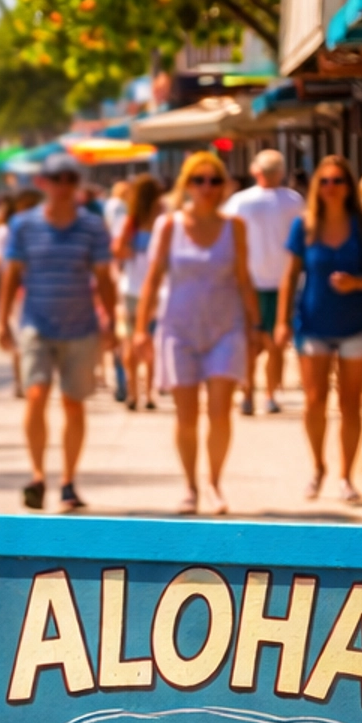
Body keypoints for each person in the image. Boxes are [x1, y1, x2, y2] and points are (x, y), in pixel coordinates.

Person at [135, 150, 258, 516]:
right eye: (199, 180)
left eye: (214, 180)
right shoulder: (169, 226)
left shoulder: (234, 226)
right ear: (186, 184)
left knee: (221, 412)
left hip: (226, 327)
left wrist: (258, 326)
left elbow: (244, 278)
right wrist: (140, 329)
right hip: (178, 328)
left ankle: (215, 484)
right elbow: (153, 277)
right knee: (186, 415)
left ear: (223, 186)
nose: (207, 187)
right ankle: (190, 486)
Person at [0, 154, 116, 511]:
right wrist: (2, 320)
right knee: (35, 395)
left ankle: (67, 482)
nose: (65, 186)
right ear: (43, 183)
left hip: (80, 327)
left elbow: (104, 277)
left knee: (73, 404)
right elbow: (12, 274)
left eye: (70, 179)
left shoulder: (92, 226)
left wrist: (111, 321)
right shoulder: (23, 225)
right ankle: (36, 476)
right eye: (58, 179)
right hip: (37, 323)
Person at [277, 159, 362, 506]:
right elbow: (290, 275)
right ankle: (318, 467)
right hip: (313, 323)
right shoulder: (305, 226)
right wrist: (280, 322)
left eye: (338, 180)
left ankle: (346, 476)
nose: (331, 186)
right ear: (316, 187)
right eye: (324, 181)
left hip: (356, 323)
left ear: (348, 185)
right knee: (314, 401)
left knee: (351, 403)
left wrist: (357, 282)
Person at [225, 149, 303, 416]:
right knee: (275, 344)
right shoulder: (295, 200)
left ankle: (248, 394)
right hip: (283, 281)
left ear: (255, 171)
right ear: (281, 172)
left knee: (251, 343)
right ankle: (270, 395)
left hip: (250, 282)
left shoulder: (239, 202)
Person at [112, 174, 163, 412]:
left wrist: (132, 253)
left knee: (130, 342)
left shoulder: (131, 221)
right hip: (156, 290)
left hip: (131, 287)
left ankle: (132, 391)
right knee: (151, 342)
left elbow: (117, 249)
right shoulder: (163, 219)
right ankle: (150, 393)